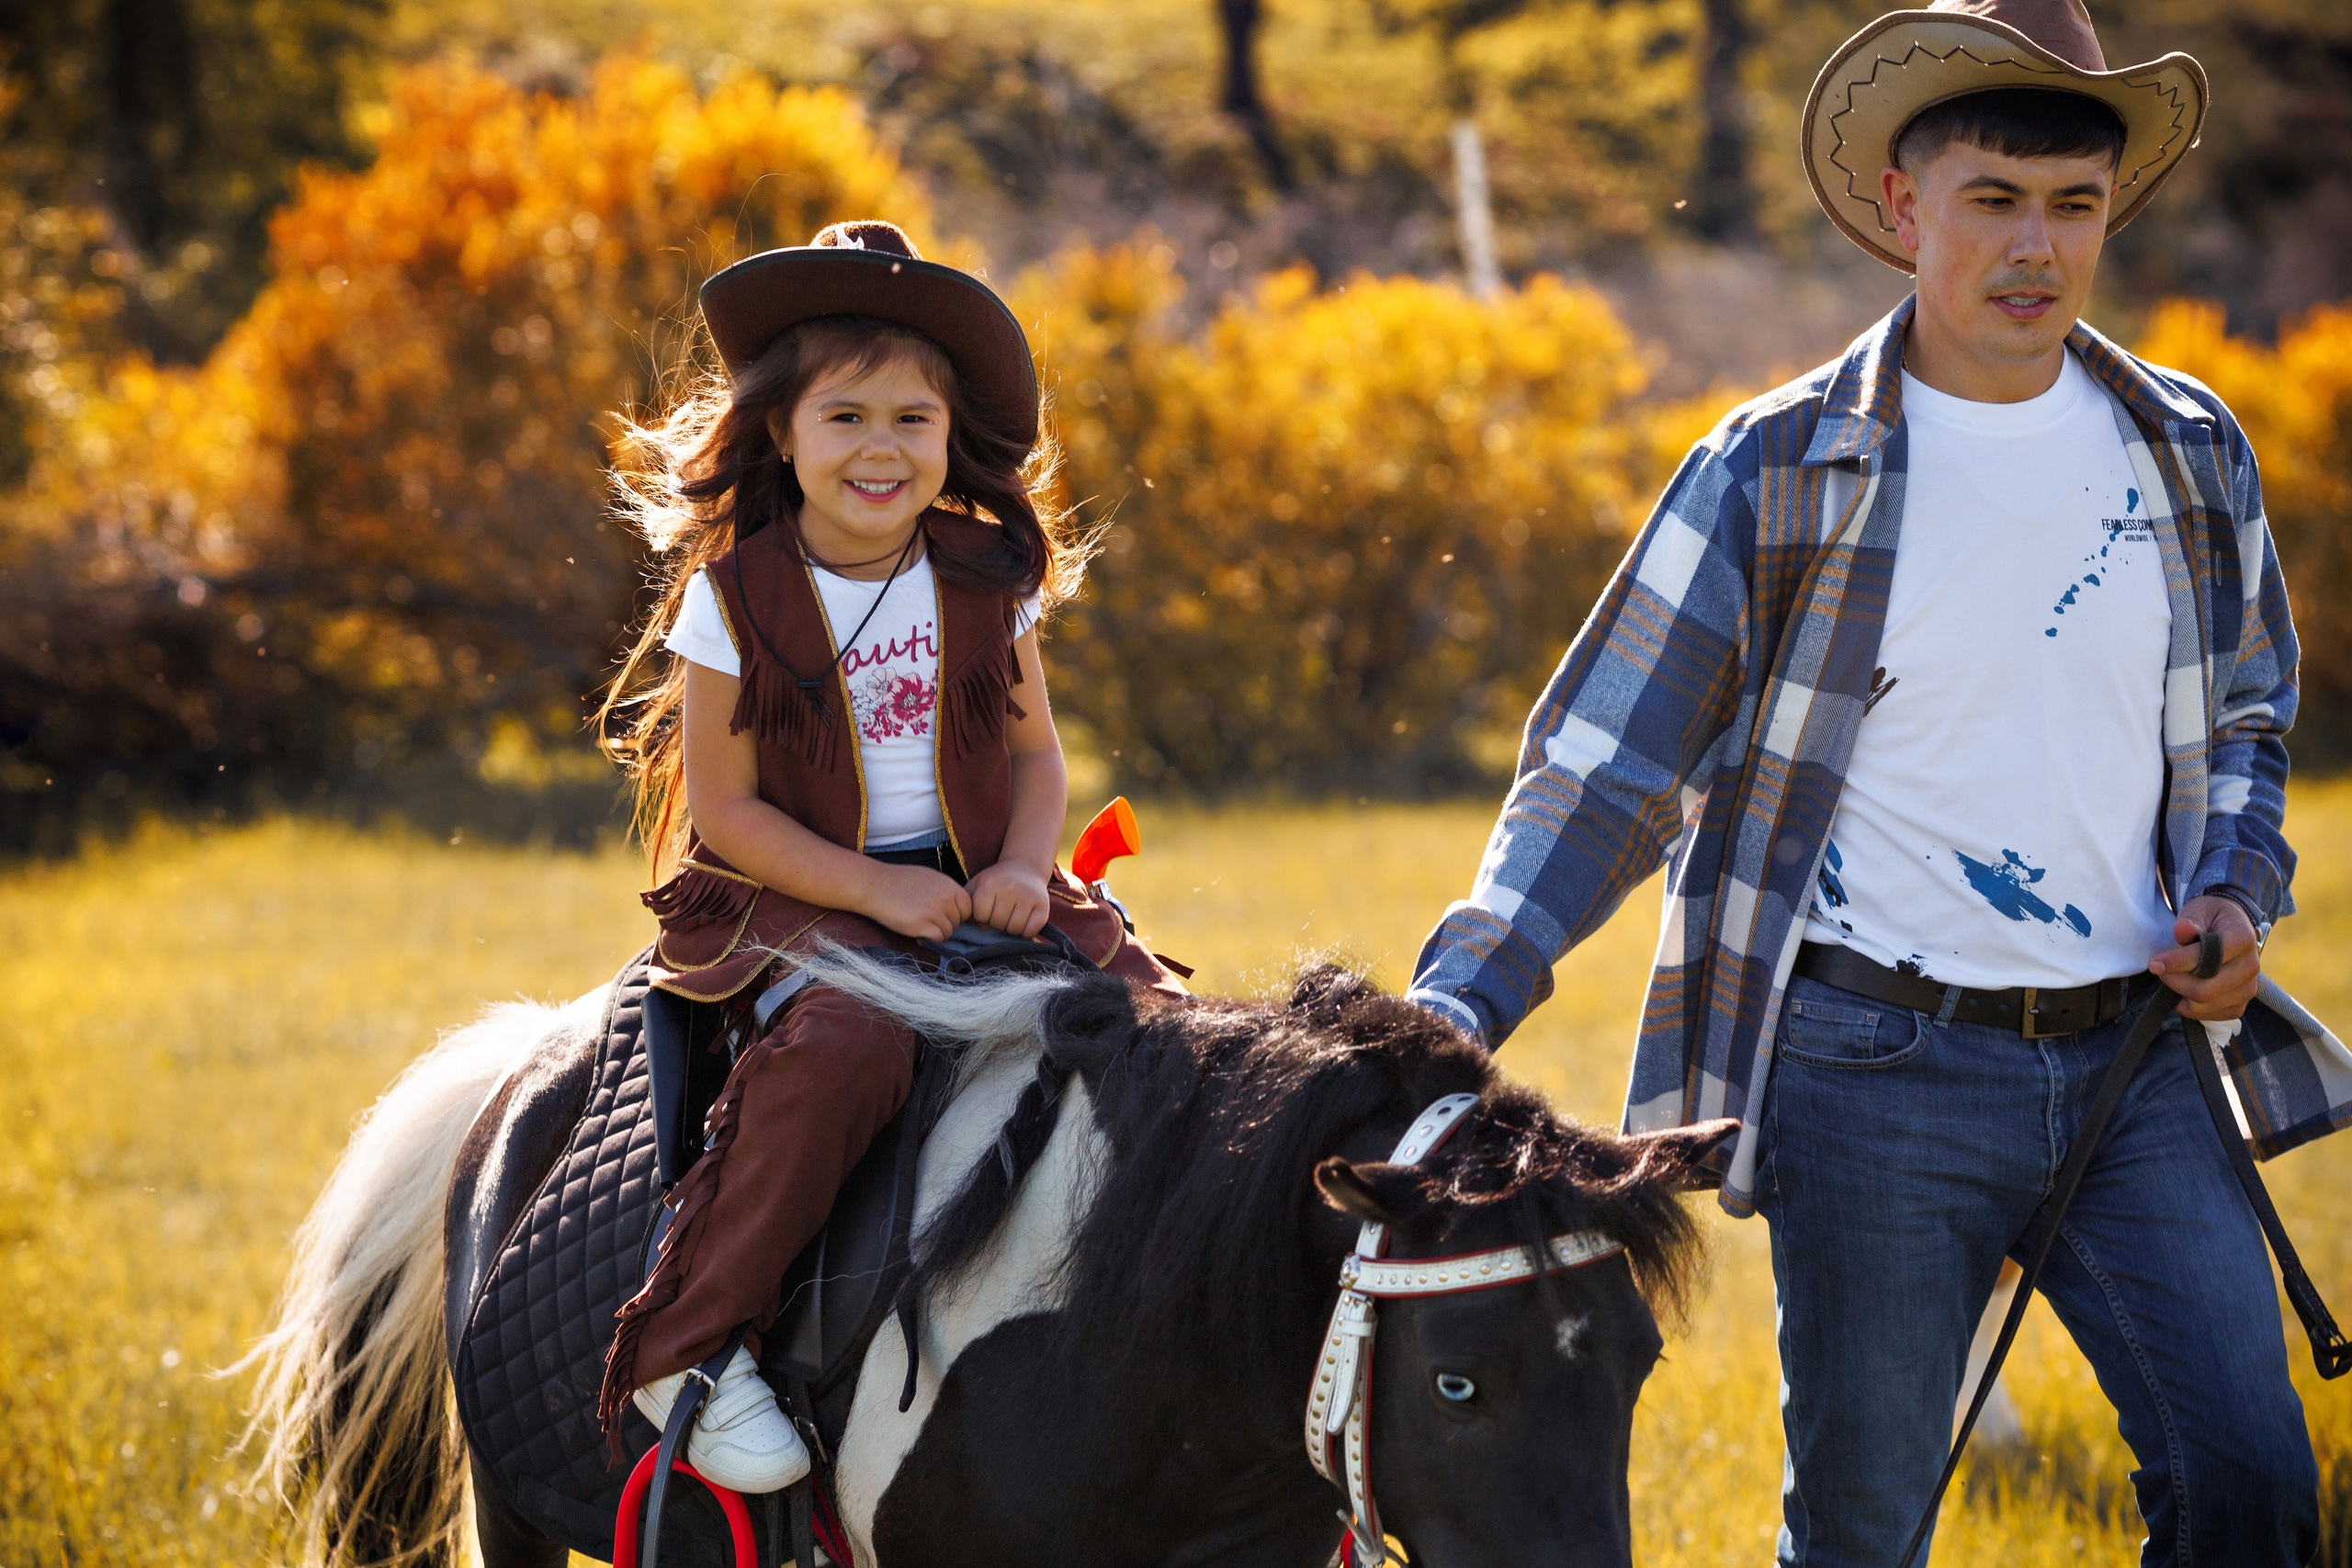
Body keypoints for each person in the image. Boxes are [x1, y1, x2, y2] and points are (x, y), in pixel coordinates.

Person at [1407, 3, 2348, 1561]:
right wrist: (1451, 1013)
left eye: (2074, 205)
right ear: (1905, 209)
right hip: (1874, 1072)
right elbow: (1608, 768)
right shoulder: (1773, 469)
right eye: (1994, 199)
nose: (2036, 246)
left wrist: (2238, 887)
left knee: (2253, 1484)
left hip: (2136, 1067)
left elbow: (2251, 710)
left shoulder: (2189, 451)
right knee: (1862, 1530)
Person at [592, 220, 1184, 1490]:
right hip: (794, 890)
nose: (880, 447)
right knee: (845, 1049)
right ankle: (689, 1346)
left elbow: (1035, 760)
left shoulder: (985, 579)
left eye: (911, 420)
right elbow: (727, 814)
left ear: (949, 438)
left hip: (978, 871)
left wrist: (1027, 868)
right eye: (845, 416)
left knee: (1164, 1026)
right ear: (783, 436)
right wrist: (877, 890)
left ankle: (1199, 1297)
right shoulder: (737, 599)